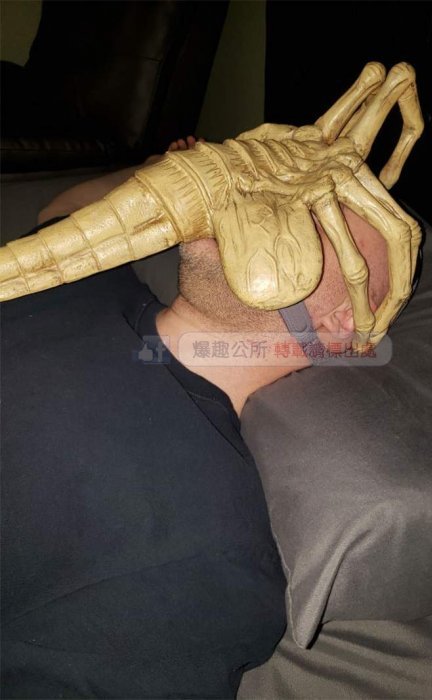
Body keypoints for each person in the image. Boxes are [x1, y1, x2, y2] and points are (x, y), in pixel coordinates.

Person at [1, 139, 391, 699]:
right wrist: (162, 169)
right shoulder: (92, 274)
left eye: (317, 214)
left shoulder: (202, 554)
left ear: (338, 322)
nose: (260, 200)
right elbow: (64, 209)